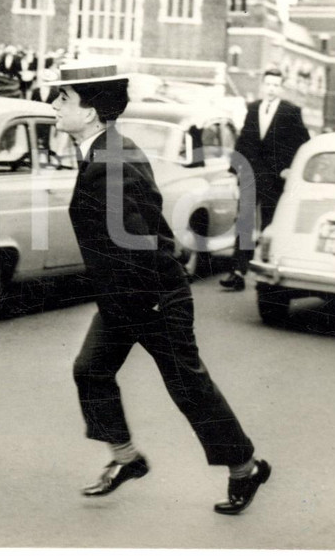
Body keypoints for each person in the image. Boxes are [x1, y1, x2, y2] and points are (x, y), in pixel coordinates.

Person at [45, 63, 270, 515]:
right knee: (90, 370)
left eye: (63, 99)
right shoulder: (101, 150)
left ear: (89, 112)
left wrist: (144, 297)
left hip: (151, 296)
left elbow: (138, 239)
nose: (53, 106)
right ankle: (126, 459)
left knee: (188, 387)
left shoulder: (112, 160)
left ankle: (246, 468)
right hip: (125, 296)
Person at [220, 68, 310, 291]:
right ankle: (238, 272)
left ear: (282, 88)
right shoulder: (252, 109)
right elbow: (243, 142)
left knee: (270, 226)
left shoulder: (291, 112)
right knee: (245, 222)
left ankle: (266, 277)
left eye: (276, 85)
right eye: (268, 84)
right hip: (250, 175)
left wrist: (289, 168)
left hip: (275, 178)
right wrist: (235, 173)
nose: (271, 89)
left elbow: (301, 142)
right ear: (262, 85)